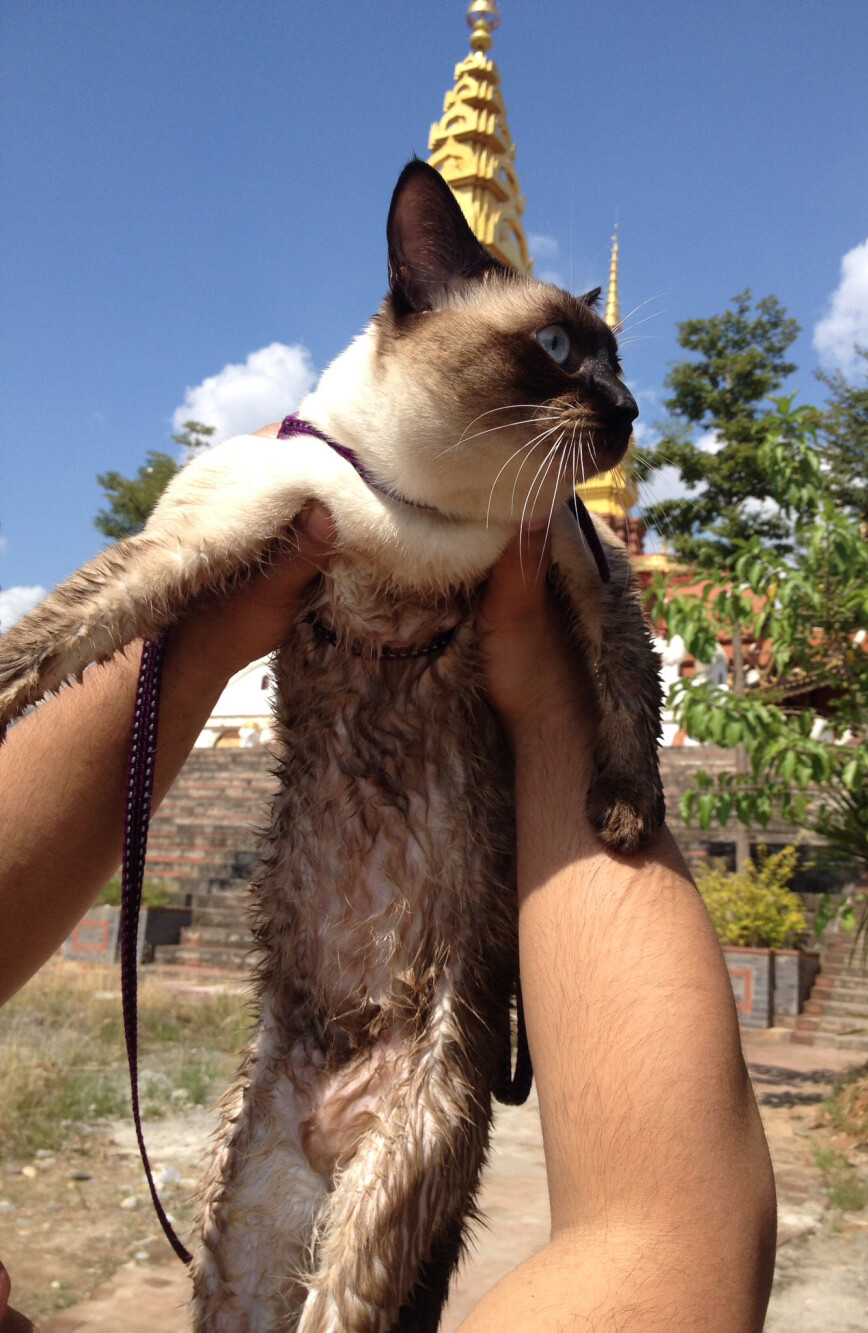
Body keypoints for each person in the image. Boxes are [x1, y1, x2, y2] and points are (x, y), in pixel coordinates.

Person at [0, 429, 776, 1331]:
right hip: (362, 973)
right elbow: (672, 1244)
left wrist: (200, 616)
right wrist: (566, 710)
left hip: (388, 987)